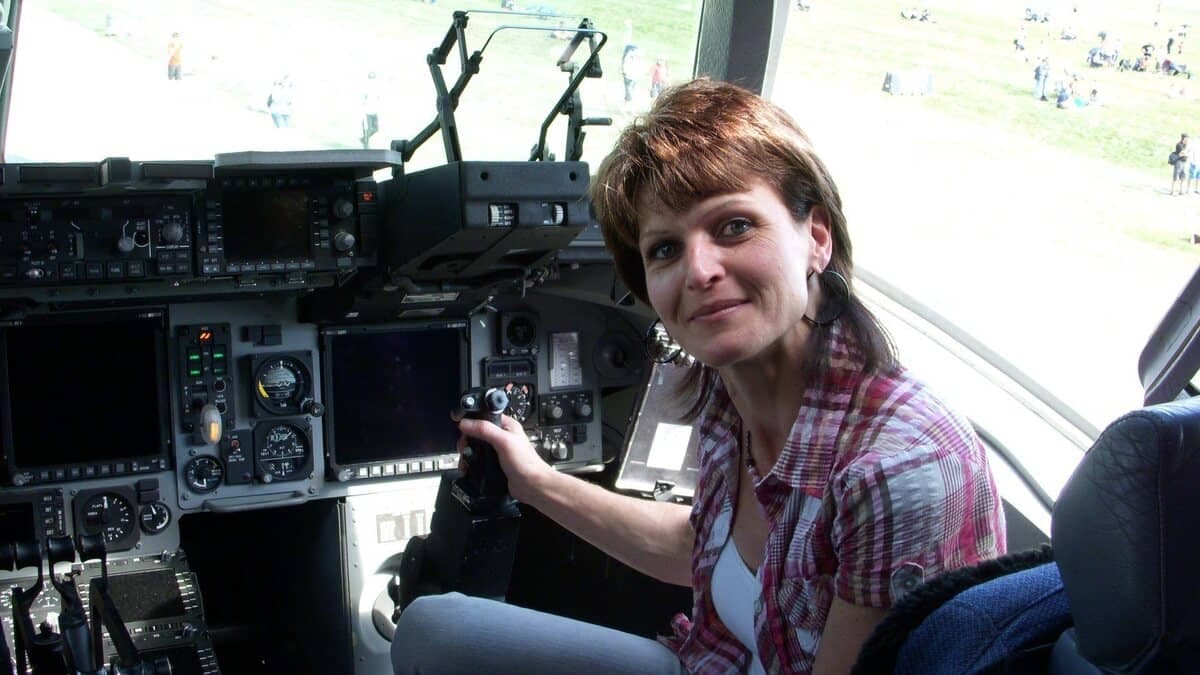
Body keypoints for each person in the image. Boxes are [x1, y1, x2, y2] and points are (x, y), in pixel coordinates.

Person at [390, 79, 1006, 674]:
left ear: (815, 238)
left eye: (734, 226)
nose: (699, 270)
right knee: (431, 628)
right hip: (710, 659)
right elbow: (703, 551)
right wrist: (535, 483)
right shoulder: (729, 387)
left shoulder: (898, 473)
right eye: (665, 249)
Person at [361, 71, 381, 149]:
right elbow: (363, 98)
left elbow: (378, 98)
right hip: (368, 111)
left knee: (376, 129)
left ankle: (364, 139)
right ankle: (365, 143)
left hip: (374, 111)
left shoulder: (376, 87)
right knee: (369, 128)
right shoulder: (366, 87)